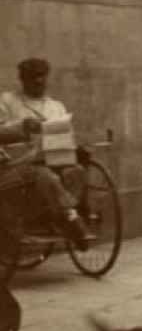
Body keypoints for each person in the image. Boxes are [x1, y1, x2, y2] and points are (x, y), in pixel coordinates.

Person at [0, 59, 90, 250]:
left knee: (76, 171)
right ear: (23, 79)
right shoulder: (7, 101)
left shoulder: (56, 106)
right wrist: (22, 126)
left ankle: (58, 216)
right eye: (33, 77)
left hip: (53, 159)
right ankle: (69, 218)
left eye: (42, 77)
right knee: (44, 175)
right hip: (16, 166)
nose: (39, 81)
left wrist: (73, 146)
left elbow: (66, 135)